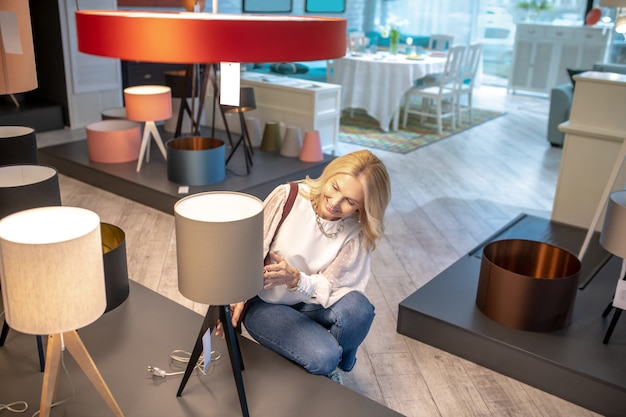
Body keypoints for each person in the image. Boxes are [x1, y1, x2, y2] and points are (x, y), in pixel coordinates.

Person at [229, 149, 391, 382]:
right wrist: (232, 298)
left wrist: (296, 280)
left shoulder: (356, 232)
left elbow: (332, 286)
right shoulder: (289, 197)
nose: (335, 203)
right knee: (324, 357)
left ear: (363, 207)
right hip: (265, 304)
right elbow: (246, 249)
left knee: (359, 309)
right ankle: (327, 358)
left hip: (310, 303)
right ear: (328, 175)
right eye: (335, 187)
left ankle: (338, 363)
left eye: (350, 201)